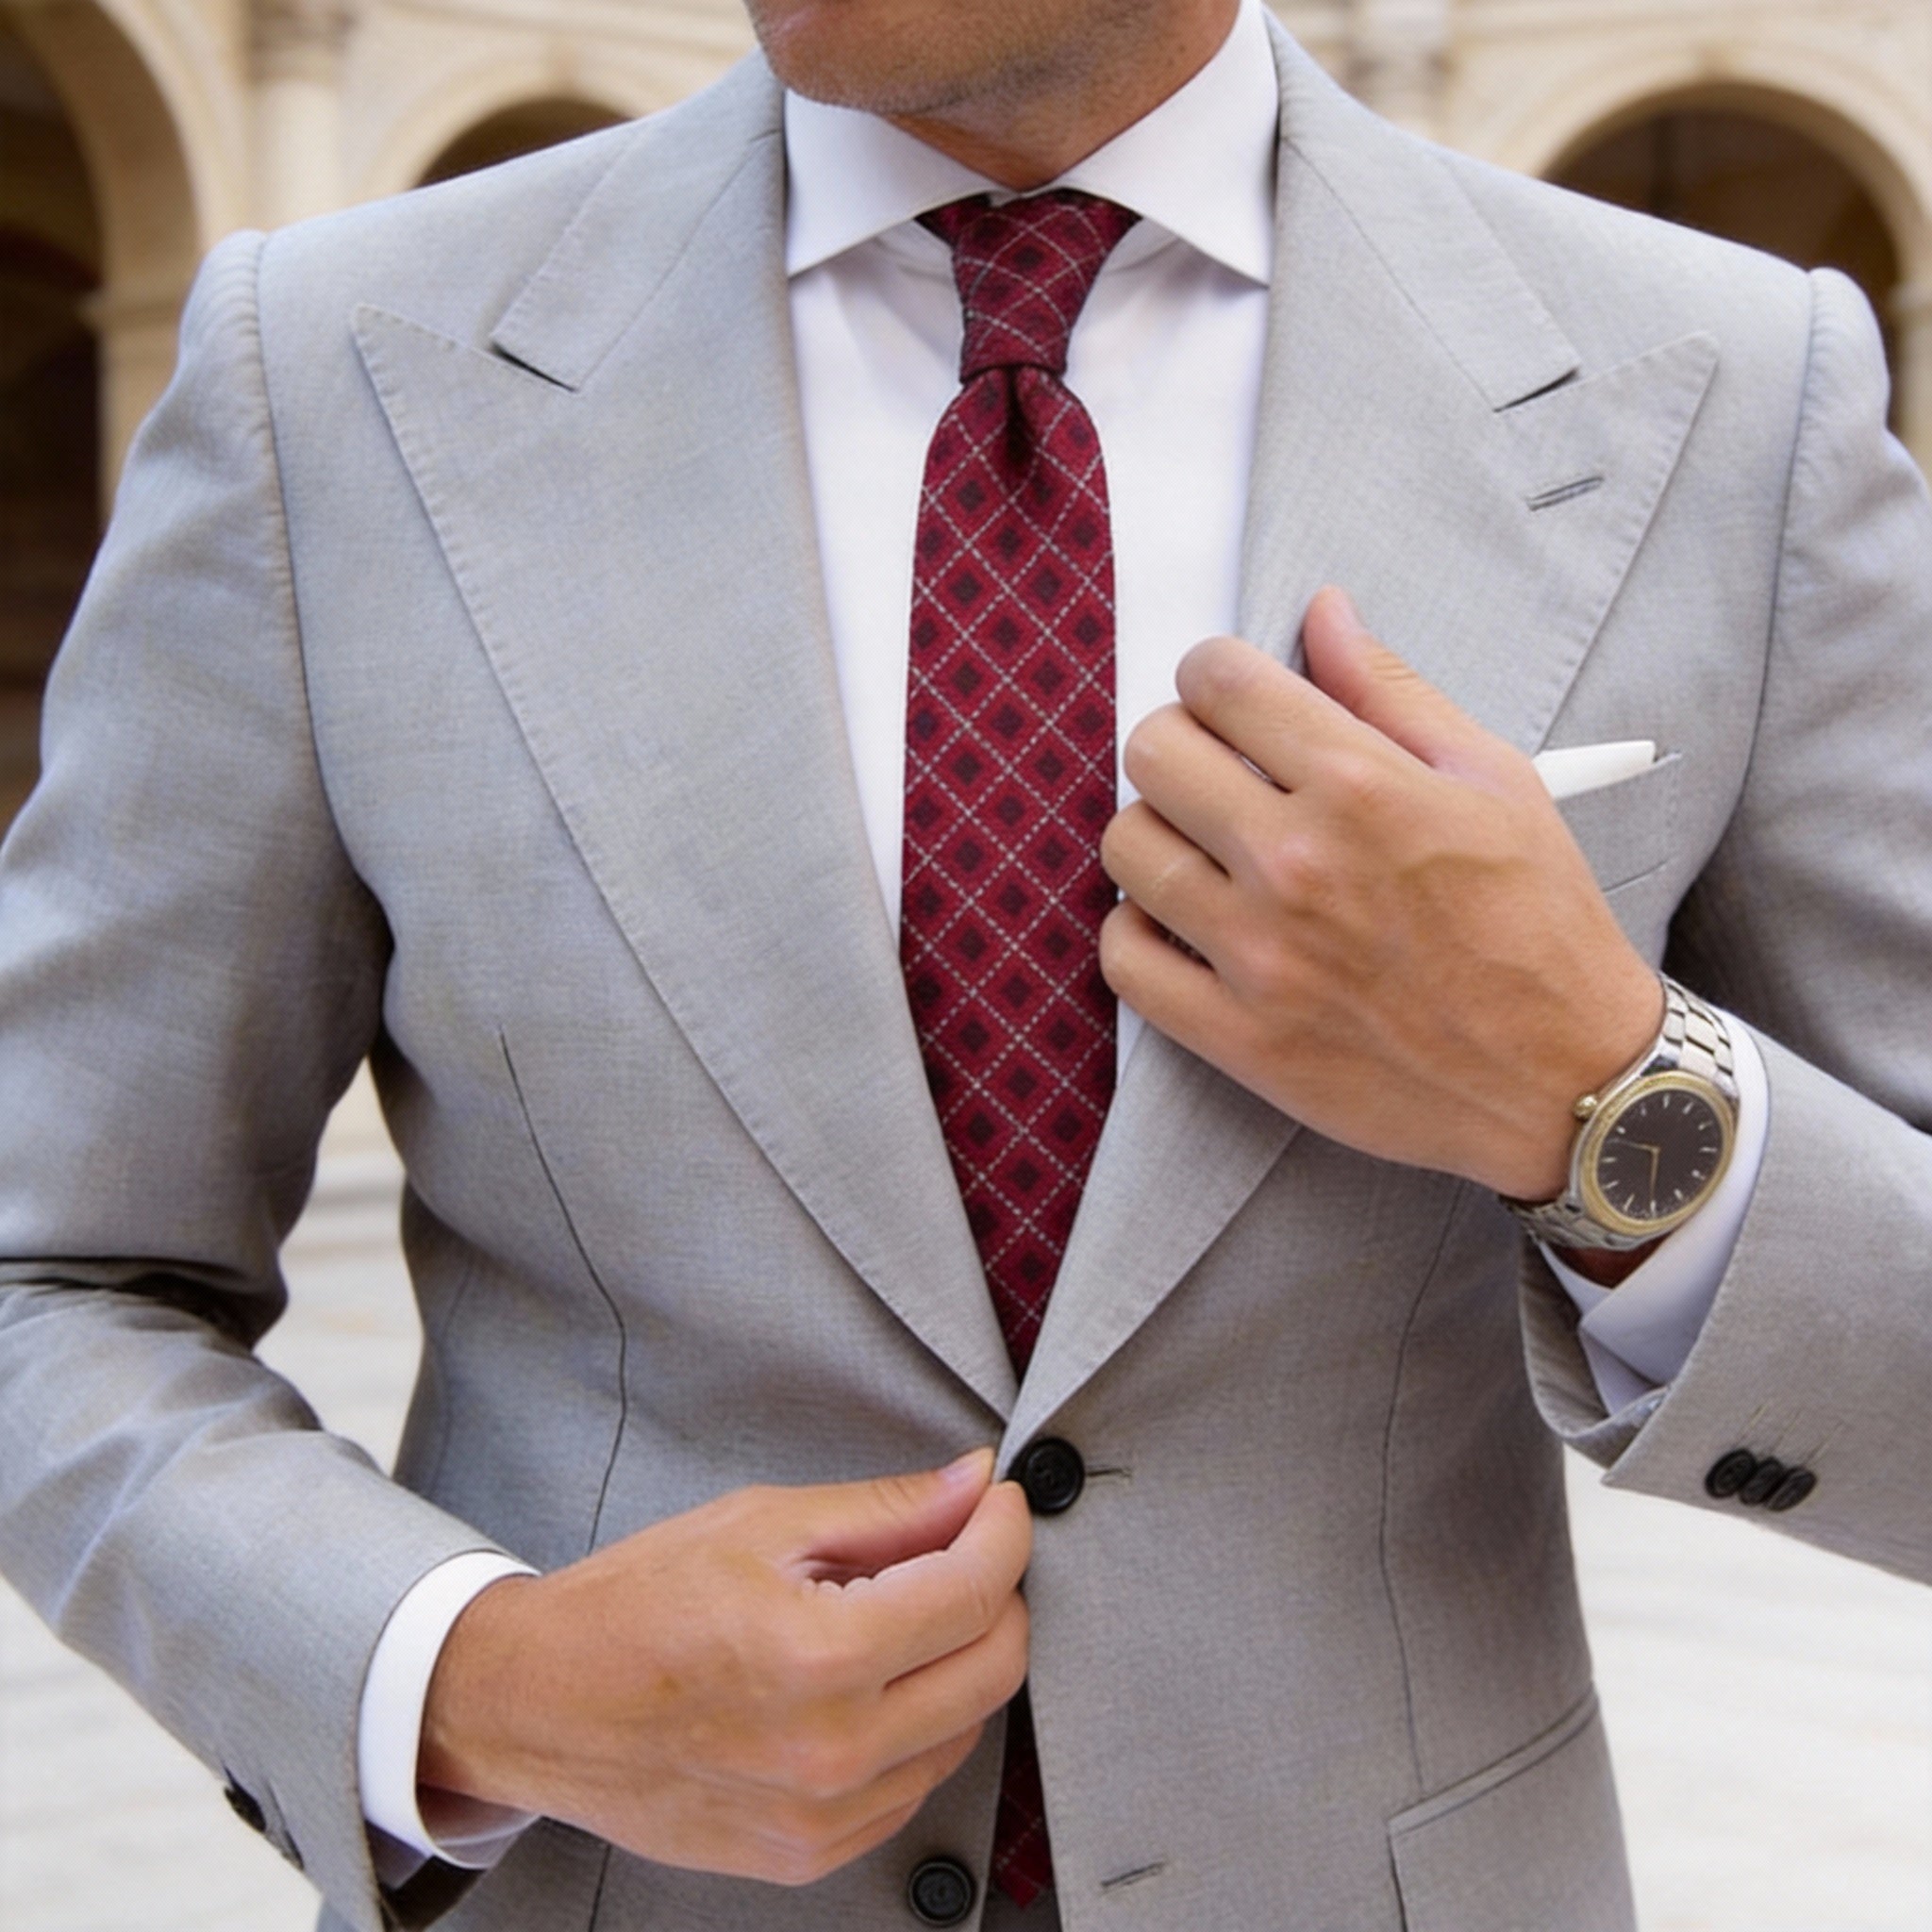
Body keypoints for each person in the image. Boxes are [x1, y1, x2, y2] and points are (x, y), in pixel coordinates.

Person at [0, 0, 1926, 1927]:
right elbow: (49, 1274)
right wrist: (465, 1677)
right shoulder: (326, 376)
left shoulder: (1729, 398)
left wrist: (1601, 1090)